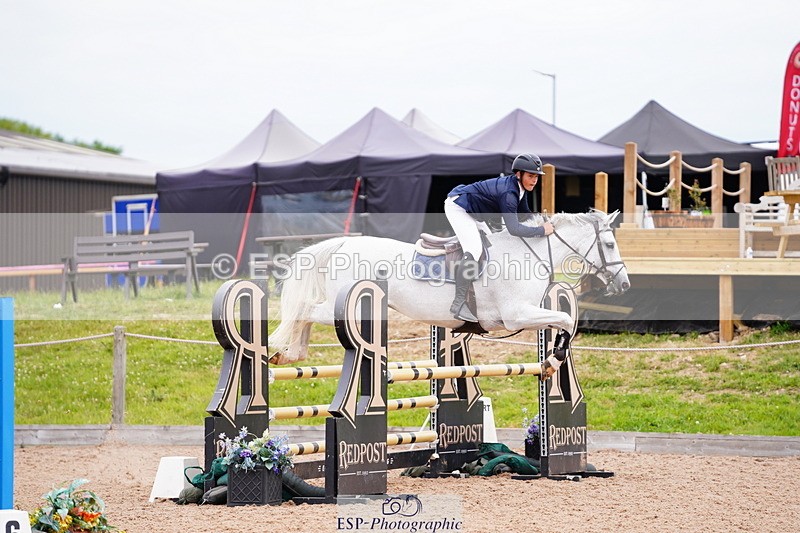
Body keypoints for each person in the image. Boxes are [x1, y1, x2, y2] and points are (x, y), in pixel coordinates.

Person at [444, 153, 554, 322]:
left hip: (474, 212)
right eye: (531, 176)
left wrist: (547, 221)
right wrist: (541, 230)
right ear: (519, 174)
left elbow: (525, 215)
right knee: (474, 249)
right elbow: (514, 229)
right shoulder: (509, 193)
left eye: (536, 177)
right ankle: (458, 304)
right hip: (459, 207)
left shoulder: (521, 189)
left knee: (494, 247)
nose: (534, 181)